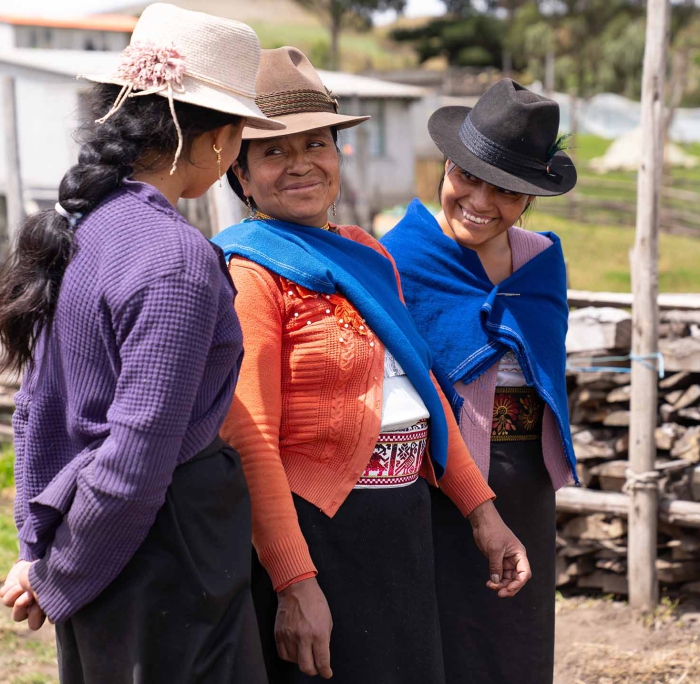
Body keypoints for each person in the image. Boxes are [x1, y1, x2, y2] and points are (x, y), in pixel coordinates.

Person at [212, 47, 530, 684]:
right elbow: (251, 439)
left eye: (317, 144)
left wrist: (484, 514)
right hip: (318, 532)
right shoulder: (250, 274)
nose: (301, 163)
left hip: (401, 524)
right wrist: (296, 583)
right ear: (240, 175)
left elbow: (424, 388)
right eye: (273, 152)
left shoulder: (365, 254)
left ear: (338, 155)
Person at [0, 5, 284, 682]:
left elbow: (37, 408)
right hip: (160, 544)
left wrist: (41, 549)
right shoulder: (176, 259)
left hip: (95, 529)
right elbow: (136, 456)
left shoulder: (84, 227)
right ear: (217, 140)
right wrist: (61, 572)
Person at [380, 79, 579, 684]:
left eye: (507, 190)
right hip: (435, 479)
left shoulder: (541, 260)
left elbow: (546, 373)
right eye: (467, 177)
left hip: (525, 482)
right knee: (443, 643)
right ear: (446, 166)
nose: (480, 201)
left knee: (516, 645)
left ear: (529, 198)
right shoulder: (398, 259)